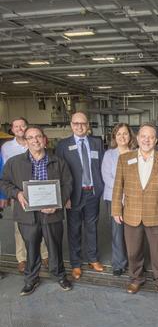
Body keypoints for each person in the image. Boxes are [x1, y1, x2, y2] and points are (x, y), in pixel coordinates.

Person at [0, 126, 73, 295]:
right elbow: (4, 182)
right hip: (27, 214)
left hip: (52, 213)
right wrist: (17, 194)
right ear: (26, 142)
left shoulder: (58, 161)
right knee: (31, 248)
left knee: (54, 247)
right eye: (31, 137)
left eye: (38, 136)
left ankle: (59, 275)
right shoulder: (14, 162)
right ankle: (31, 279)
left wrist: (57, 203)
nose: (35, 140)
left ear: (44, 139)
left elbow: (68, 184)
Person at [111, 122, 158, 295]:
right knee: (133, 251)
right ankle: (136, 278)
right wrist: (116, 209)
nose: (147, 140)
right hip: (131, 213)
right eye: (143, 136)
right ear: (137, 138)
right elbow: (118, 186)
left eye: (151, 137)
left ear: (156, 140)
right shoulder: (124, 159)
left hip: (156, 213)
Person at [56, 112, 105, 280]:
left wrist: (101, 189)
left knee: (92, 227)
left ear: (88, 125)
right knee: (74, 229)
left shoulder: (97, 143)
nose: (79, 126)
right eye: (76, 123)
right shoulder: (63, 145)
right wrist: (65, 196)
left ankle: (93, 259)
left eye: (83, 123)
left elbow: (102, 167)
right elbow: (60, 173)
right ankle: (76, 263)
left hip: (92, 193)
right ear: (71, 125)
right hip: (73, 195)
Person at [1, 117, 48, 272]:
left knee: (41, 223)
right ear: (12, 129)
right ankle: (22, 258)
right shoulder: (7, 147)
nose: (20, 128)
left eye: (22, 126)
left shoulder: (35, 141)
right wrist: (4, 196)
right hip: (19, 194)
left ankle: (44, 254)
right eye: (16, 126)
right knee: (20, 227)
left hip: (40, 192)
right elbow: (4, 174)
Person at [101, 123, 136, 276]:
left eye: (125, 133)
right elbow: (107, 178)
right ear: (115, 137)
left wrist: (129, 194)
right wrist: (121, 194)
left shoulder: (136, 154)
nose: (122, 137)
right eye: (119, 134)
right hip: (113, 198)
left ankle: (134, 261)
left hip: (134, 199)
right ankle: (119, 263)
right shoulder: (109, 154)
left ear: (130, 136)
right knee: (117, 232)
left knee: (133, 231)